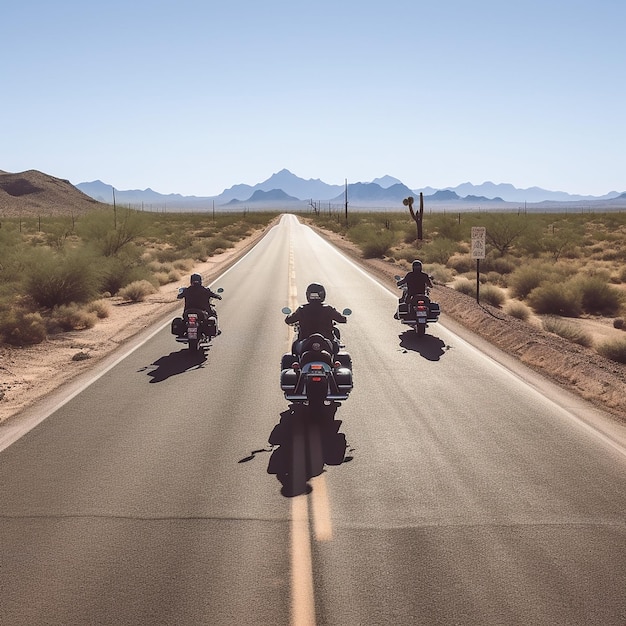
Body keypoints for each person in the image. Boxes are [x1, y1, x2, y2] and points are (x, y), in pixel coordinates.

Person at [285, 283, 347, 355]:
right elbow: (342, 319)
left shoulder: (302, 309)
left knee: (295, 350)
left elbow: (289, 320)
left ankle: (297, 363)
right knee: (336, 350)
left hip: (305, 341)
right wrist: (343, 317)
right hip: (326, 342)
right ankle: (334, 363)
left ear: (308, 295)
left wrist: (288, 316)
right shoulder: (328, 309)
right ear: (323, 295)